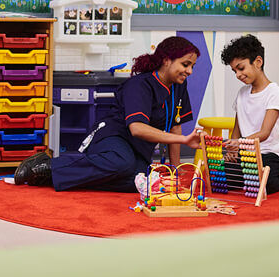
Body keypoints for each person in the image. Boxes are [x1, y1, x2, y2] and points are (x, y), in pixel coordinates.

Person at [15, 36, 203, 192]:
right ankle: (48, 166)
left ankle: (57, 177)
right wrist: (185, 140)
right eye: (185, 64)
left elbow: (175, 126)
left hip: (138, 150)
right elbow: (137, 129)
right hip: (112, 137)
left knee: (141, 181)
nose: (190, 71)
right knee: (122, 163)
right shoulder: (139, 85)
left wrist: (175, 171)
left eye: (193, 66)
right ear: (166, 60)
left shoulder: (179, 86)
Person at [220, 34, 279, 194]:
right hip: (248, 151)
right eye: (234, 70)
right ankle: (250, 176)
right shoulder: (242, 93)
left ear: (258, 62)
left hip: (271, 151)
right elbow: (237, 128)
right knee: (222, 177)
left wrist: (239, 143)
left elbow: (264, 133)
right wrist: (232, 150)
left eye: (241, 68)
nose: (237, 75)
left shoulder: (274, 92)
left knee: (266, 183)